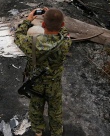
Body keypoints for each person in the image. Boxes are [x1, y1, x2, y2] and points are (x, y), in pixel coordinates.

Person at [14, 8, 72, 136]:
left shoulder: (32, 42)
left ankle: (38, 131)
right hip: (54, 84)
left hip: (37, 83)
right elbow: (64, 31)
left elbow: (18, 36)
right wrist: (55, 18)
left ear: (43, 24)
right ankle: (56, 132)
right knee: (55, 111)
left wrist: (28, 20)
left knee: (36, 108)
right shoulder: (66, 42)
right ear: (62, 24)